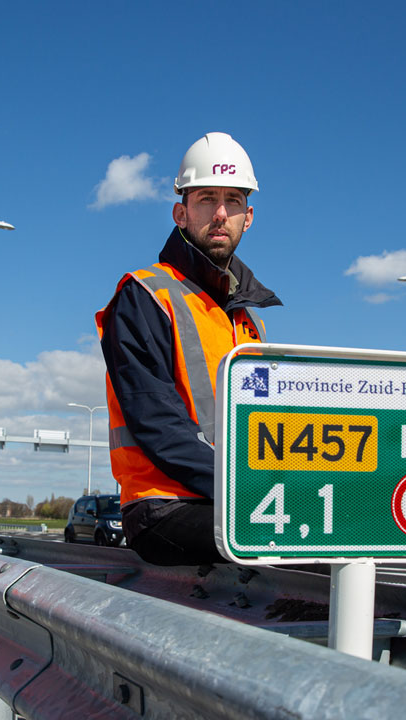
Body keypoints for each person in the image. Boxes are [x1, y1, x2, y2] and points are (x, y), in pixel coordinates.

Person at [96, 132, 282, 566]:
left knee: (338, 532)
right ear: (181, 213)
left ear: (248, 217)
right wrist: (247, 490)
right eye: (206, 199)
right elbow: (158, 423)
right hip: (163, 506)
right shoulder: (144, 295)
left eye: (233, 200)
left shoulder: (249, 322)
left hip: (235, 501)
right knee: (300, 546)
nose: (220, 214)